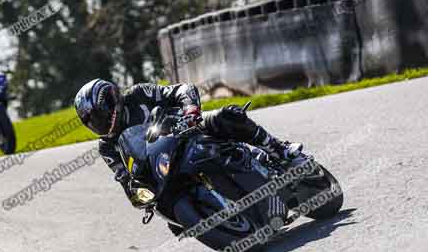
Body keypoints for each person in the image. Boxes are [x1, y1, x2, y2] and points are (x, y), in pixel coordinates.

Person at [74, 78, 302, 201]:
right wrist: (136, 191)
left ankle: (277, 148)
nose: (98, 124)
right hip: (162, 166)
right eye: (91, 122)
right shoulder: (107, 147)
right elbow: (125, 179)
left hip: (186, 130)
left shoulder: (138, 94)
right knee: (168, 215)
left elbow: (181, 90)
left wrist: (190, 110)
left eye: (99, 116)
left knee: (227, 116)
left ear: (111, 102)